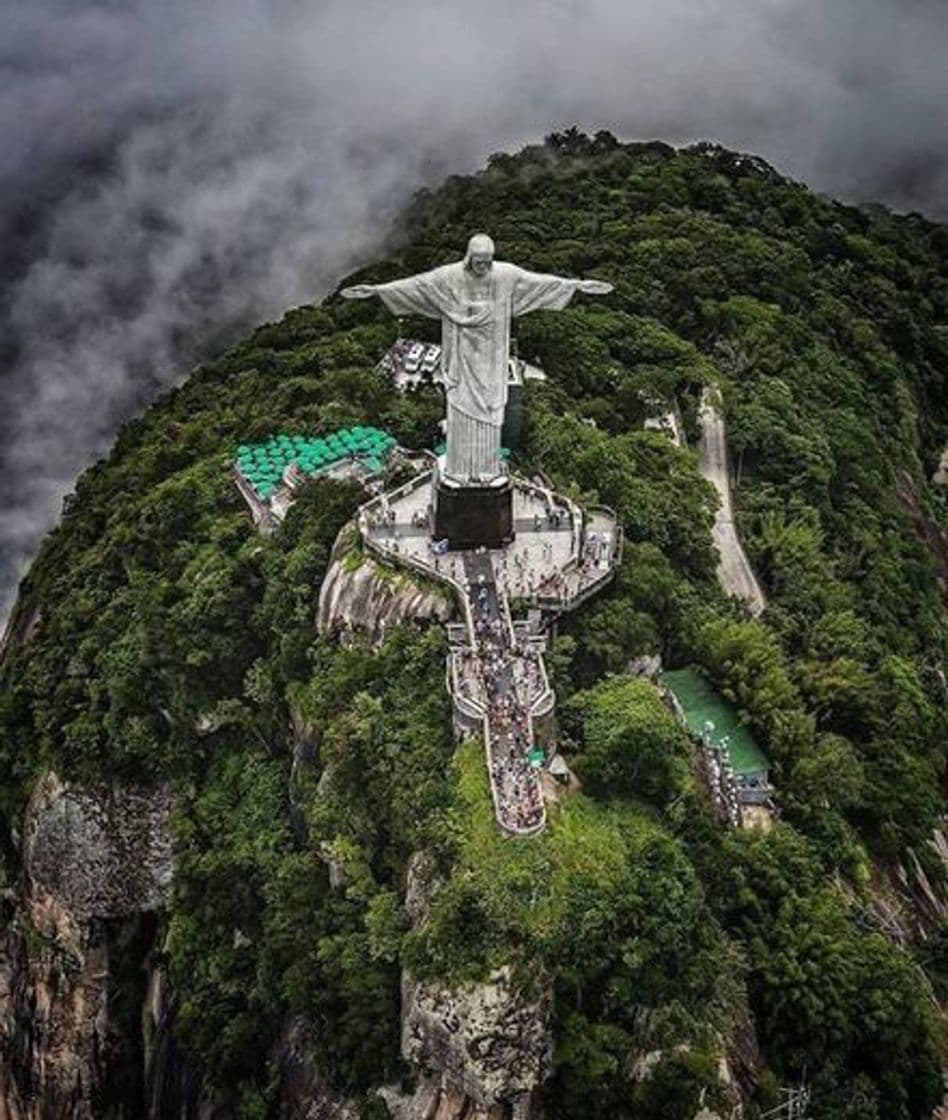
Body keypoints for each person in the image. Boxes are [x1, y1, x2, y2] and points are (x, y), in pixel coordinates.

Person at [342, 234, 612, 481]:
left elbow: (539, 283)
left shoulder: (505, 276)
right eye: (479, 262)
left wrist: (576, 285)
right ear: (469, 258)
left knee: (491, 411)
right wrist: (378, 290)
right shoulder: (450, 277)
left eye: (488, 262)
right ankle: (460, 468)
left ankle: (487, 468)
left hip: (491, 360)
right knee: (460, 409)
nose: (483, 267)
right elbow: (416, 286)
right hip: (461, 358)